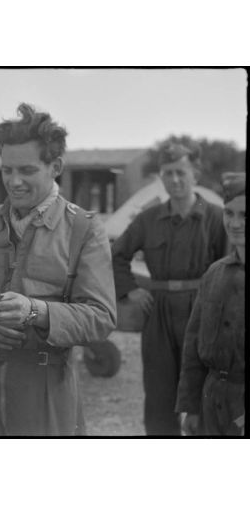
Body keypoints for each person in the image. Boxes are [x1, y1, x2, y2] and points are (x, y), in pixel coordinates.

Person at [0, 103, 116, 436]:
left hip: (46, 389)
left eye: (27, 170)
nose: (14, 182)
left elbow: (101, 317)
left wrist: (35, 311)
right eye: (7, 170)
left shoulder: (85, 230)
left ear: (55, 166)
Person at [112, 143, 227, 435]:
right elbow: (116, 255)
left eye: (180, 172)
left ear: (195, 174)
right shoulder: (148, 220)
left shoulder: (216, 218)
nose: (174, 180)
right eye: (167, 173)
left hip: (202, 313)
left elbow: (230, 270)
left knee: (204, 393)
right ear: (160, 178)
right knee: (159, 394)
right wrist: (130, 291)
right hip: (159, 313)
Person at [176, 172, 245, 436]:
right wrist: (191, 407)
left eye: (245, 215)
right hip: (211, 402)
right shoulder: (215, 274)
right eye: (229, 213)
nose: (235, 223)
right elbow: (193, 347)